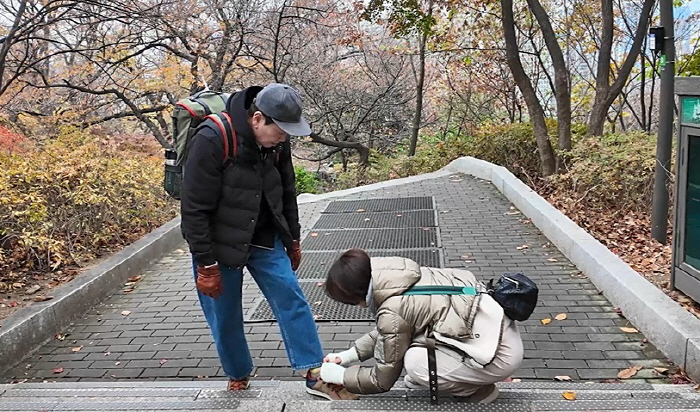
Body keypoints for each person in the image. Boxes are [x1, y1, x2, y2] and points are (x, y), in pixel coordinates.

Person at [180, 83, 357, 400]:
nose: (284, 138)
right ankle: (238, 374)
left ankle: (314, 371)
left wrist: (293, 239)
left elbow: (287, 190)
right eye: (280, 131)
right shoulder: (211, 138)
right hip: (219, 244)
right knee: (225, 315)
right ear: (257, 119)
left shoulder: (276, 143)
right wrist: (206, 264)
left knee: (291, 296)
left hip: (263, 234)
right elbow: (194, 209)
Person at [319, 248, 524, 403]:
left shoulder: (393, 307)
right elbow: (391, 330)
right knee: (414, 345)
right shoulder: (403, 275)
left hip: (498, 354)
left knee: (416, 364)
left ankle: (477, 391)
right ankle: (461, 376)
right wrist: (347, 356)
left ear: (357, 295)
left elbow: (382, 379)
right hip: (496, 332)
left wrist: (341, 376)